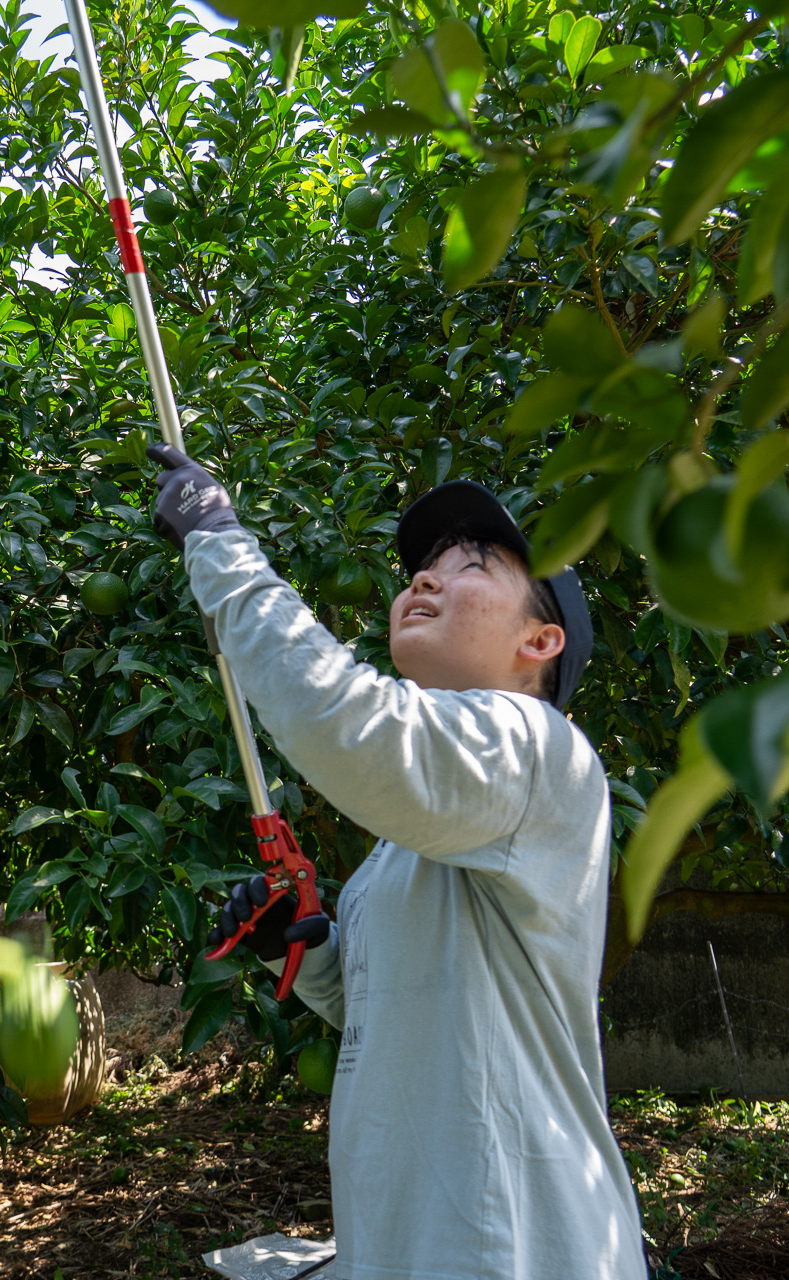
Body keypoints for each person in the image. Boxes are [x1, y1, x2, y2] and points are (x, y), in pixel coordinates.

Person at [147, 445, 643, 1280]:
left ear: (540, 638)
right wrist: (301, 953)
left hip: (515, 1249)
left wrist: (218, 543)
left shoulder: (536, 748)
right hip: (416, 1243)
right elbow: (393, 1019)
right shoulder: (407, 845)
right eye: (419, 568)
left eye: (469, 564)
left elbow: (351, 724)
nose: (423, 579)